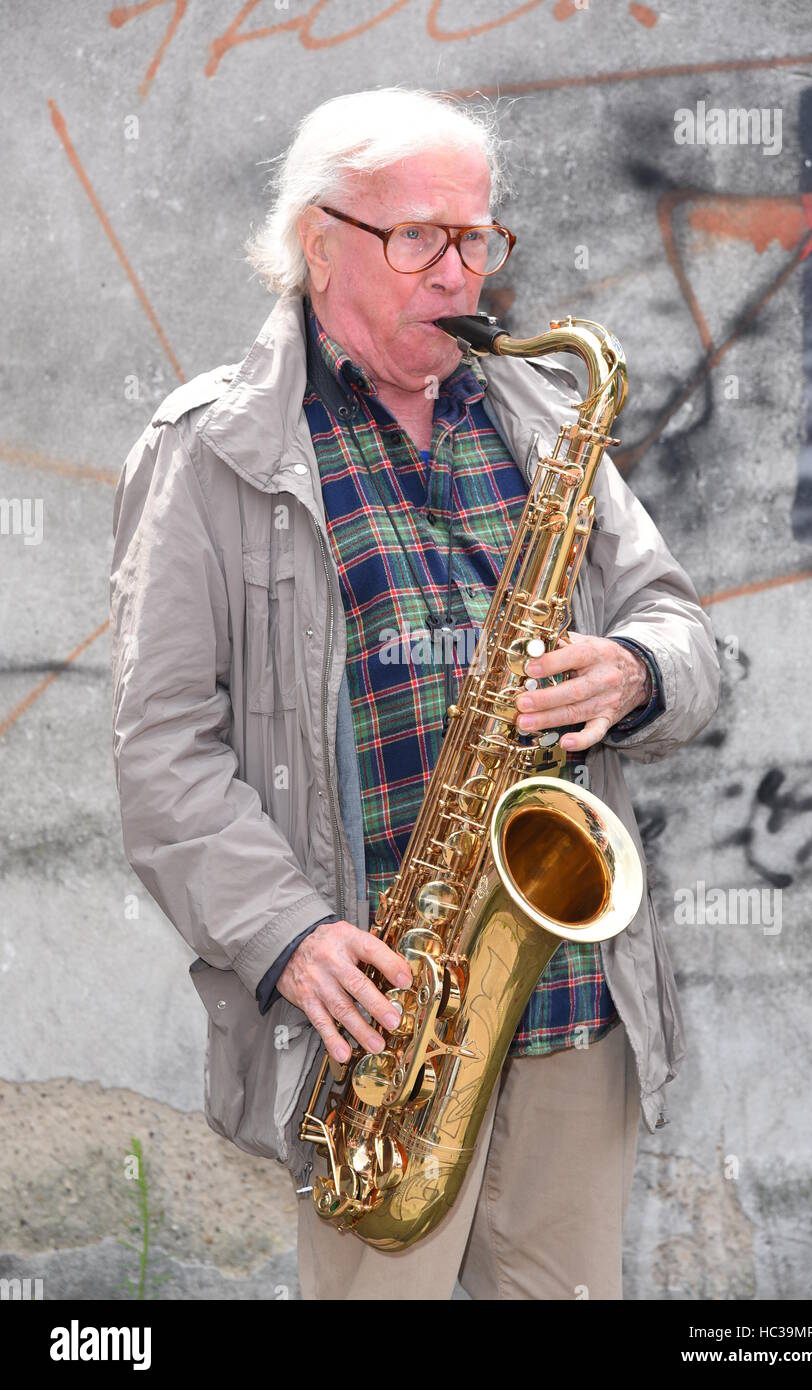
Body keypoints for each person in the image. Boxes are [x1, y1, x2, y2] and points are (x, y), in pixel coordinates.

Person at [110, 87, 721, 1300]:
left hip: (569, 1012)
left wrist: (638, 668)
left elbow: (683, 629)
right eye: (422, 239)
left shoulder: (548, 420)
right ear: (319, 241)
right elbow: (160, 753)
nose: (464, 274)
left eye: (478, 237)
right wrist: (286, 937)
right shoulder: (208, 452)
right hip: (379, 1043)